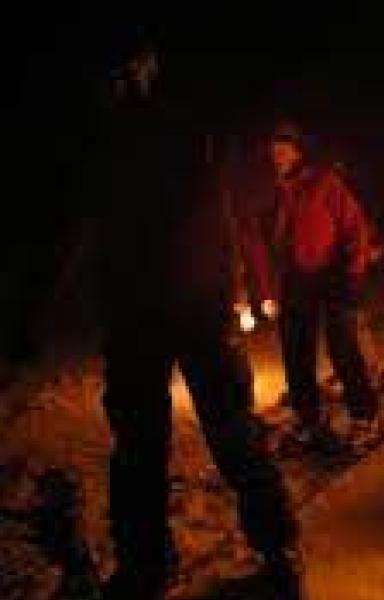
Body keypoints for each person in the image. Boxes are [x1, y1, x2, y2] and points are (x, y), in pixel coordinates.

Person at [93, 42, 303, 599]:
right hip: (144, 314)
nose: (124, 78)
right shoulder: (118, 138)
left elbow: (222, 216)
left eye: (131, 66)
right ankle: (148, 563)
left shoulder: (183, 131)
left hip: (189, 309)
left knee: (227, 430)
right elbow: (76, 228)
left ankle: (276, 549)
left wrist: (233, 287)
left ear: (148, 69)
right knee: (143, 443)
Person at [262, 122, 381, 451]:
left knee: (343, 348)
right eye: (273, 154)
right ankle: (308, 417)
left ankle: (365, 417)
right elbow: (271, 240)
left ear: (299, 152)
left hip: (333, 276)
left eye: (284, 152)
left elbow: (355, 228)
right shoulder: (278, 189)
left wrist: (354, 273)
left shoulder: (325, 184)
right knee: (295, 351)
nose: (278, 159)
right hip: (296, 280)